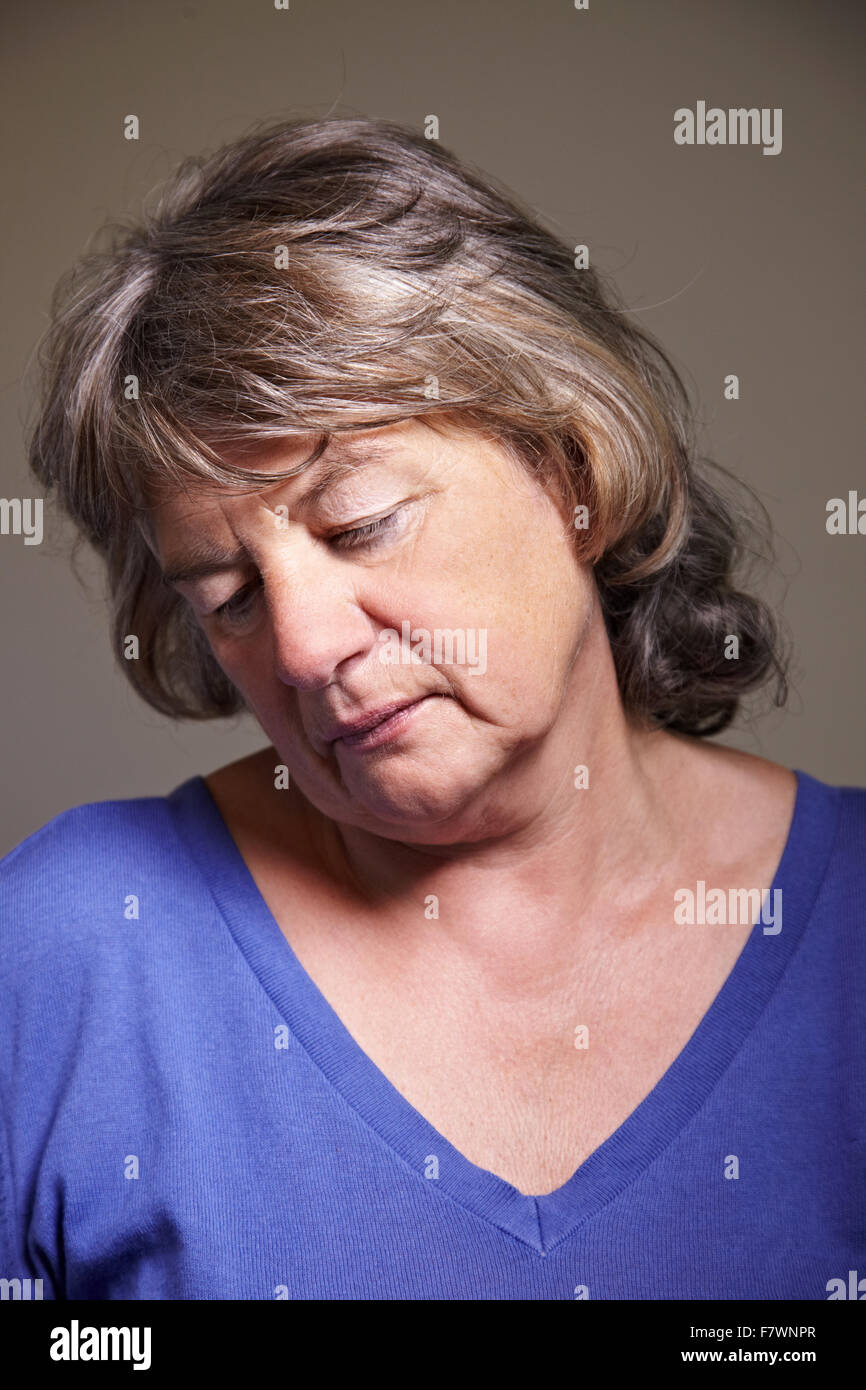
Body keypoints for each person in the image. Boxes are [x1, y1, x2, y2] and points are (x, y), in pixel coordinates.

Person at [2, 115, 862, 1301]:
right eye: (230, 594)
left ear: (570, 467)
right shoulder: (72, 950)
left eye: (359, 523)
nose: (303, 649)